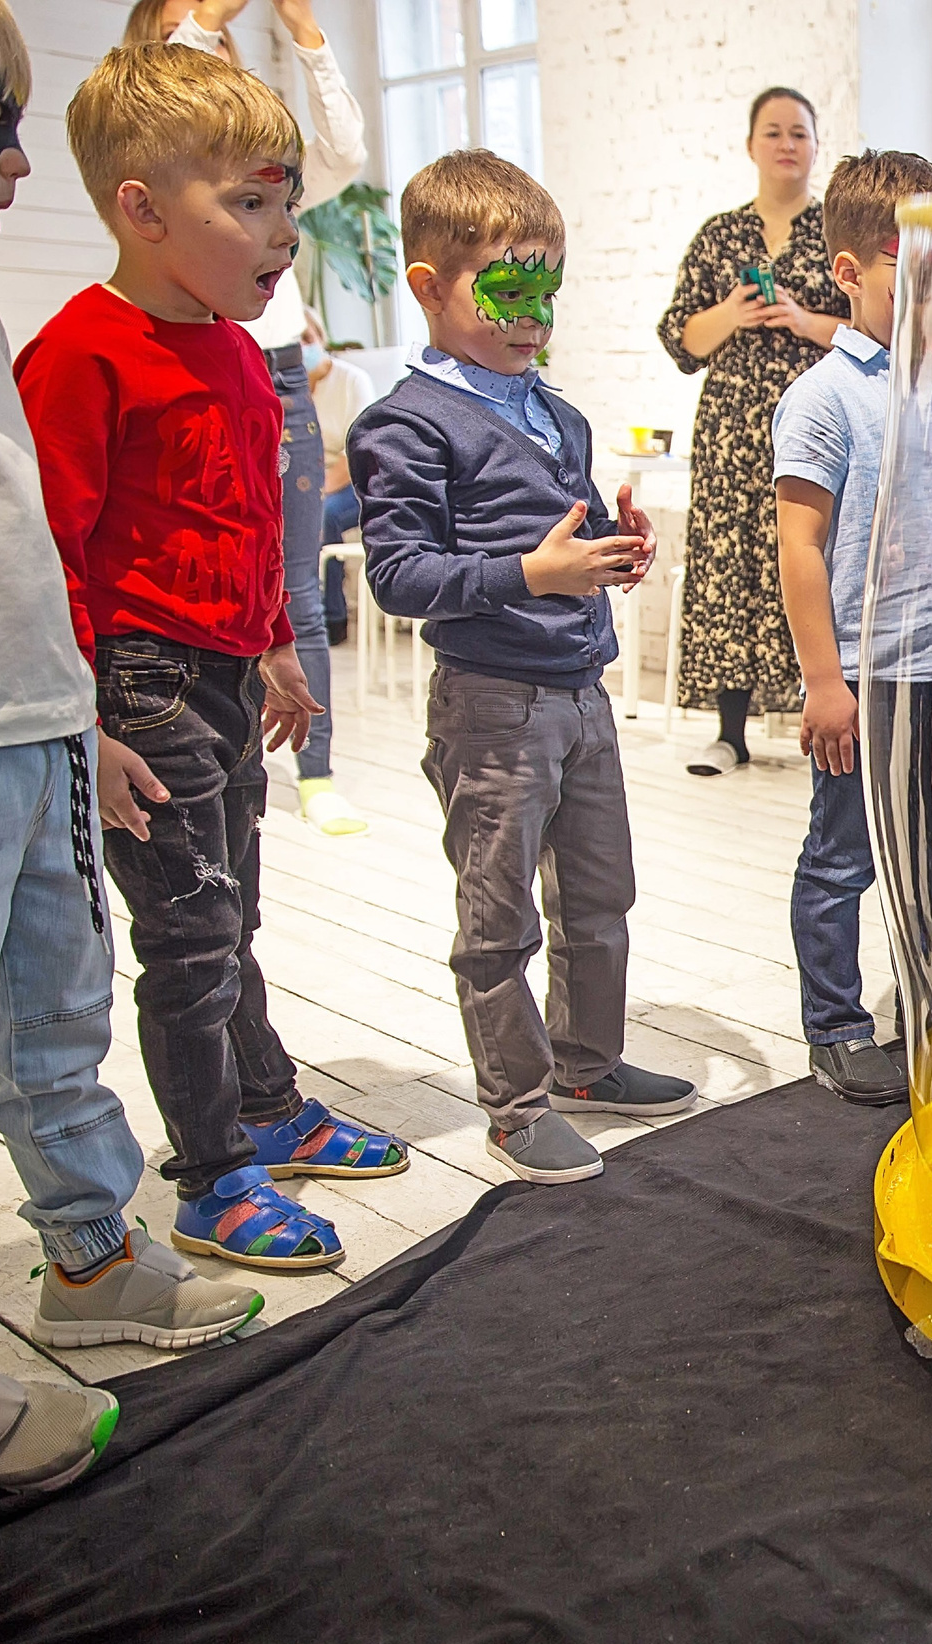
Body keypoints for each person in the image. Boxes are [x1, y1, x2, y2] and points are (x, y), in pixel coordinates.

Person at [0, 2, 260, 1499]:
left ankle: (92, 1255)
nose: (12, 162)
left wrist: (82, 722)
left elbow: (22, 551)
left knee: (57, 1023)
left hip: (37, 736)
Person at [16, 42, 409, 1274]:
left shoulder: (240, 351)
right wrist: (88, 722)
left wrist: (277, 643)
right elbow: (47, 551)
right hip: (141, 685)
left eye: (287, 201)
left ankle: (268, 1106)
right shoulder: (82, 353)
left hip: (228, 675)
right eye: (250, 202)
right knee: (187, 940)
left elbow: (238, 524)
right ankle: (212, 1176)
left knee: (228, 915)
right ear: (142, 210)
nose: (285, 232)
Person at [350, 150, 698, 1183]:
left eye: (549, 292)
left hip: (581, 693)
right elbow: (399, 574)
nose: (534, 316)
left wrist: (608, 553)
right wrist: (532, 572)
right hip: (492, 704)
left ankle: (587, 1065)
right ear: (428, 286)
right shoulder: (405, 423)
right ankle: (516, 1107)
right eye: (508, 291)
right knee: (497, 915)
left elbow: (559, 542)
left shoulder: (558, 412)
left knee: (598, 895)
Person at [774, 148, 932, 1107]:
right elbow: (801, 546)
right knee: (846, 854)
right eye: (913, 271)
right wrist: (823, 681)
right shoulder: (823, 398)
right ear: (849, 270)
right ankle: (835, 1023)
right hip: (869, 671)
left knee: (929, 845)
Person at [131, 0, 369, 836]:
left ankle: (317, 768)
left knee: (294, 585)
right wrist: (199, 21)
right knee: (203, 572)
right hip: (196, 361)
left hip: (278, 371)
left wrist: (305, 31)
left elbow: (343, 153)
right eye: (194, 31)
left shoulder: (264, 168)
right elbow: (167, 112)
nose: (213, 39)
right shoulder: (162, 164)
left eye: (219, 34)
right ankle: (215, 759)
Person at [658, 87, 850, 777]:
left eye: (799, 132)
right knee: (728, 569)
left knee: (815, 560)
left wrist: (803, 320)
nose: (786, 144)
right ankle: (730, 733)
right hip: (730, 431)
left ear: (816, 145)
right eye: (773, 132)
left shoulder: (837, 234)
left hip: (816, 426)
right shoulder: (719, 235)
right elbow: (681, 340)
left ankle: (831, 720)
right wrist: (732, 313)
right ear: (750, 145)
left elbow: (873, 332)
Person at [303, 307, 375, 641]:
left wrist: (318, 490)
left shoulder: (351, 381)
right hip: (303, 480)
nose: (301, 347)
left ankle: (331, 617)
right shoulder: (282, 388)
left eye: (307, 338)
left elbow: (359, 451)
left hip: (354, 481)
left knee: (323, 514)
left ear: (322, 338)